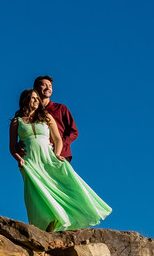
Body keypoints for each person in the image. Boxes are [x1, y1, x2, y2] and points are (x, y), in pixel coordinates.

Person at [9, 88, 111, 232]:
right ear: (25, 100)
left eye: (37, 99)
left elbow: (57, 138)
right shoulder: (16, 121)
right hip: (30, 162)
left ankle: (71, 216)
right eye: (33, 98)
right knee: (36, 196)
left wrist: (57, 154)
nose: (36, 101)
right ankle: (44, 229)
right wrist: (19, 159)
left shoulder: (46, 117)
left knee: (62, 186)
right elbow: (12, 146)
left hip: (48, 159)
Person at [35, 75, 78, 162]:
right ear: (35, 88)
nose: (48, 88)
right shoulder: (32, 112)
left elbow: (74, 132)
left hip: (61, 155)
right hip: (39, 156)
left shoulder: (61, 108)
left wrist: (59, 144)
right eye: (44, 85)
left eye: (50, 86)